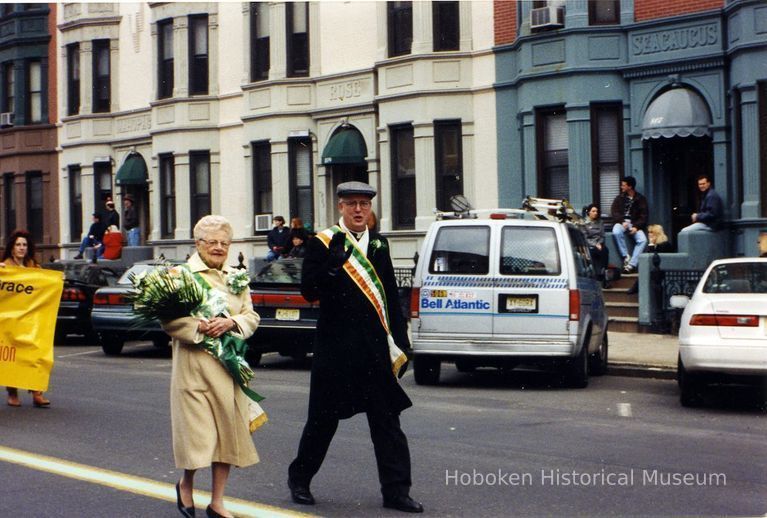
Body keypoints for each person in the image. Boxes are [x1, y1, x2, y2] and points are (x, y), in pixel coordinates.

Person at [288, 181, 423, 513]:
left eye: (364, 203)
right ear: (340, 207)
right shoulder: (322, 243)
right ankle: (300, 480)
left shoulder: (379, 244)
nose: (359, 209)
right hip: (336, 350)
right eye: (352, 204)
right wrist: (332, 268)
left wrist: (401, 340)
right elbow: (309, 291)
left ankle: (396, 491)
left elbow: (389, 293)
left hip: (374, 350)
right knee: (322, 420)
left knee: (387, 422)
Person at [161, 215, 261, 518]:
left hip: (228, 371)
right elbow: (168, 320)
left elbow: (251, 316)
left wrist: (232, 322)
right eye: (212, 242)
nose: (218, 248)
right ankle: (186, 484)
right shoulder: (180, 275)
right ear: (198, 244)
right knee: (198, 438)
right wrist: (200, 325)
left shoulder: (236, 276)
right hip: (194, 369)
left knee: (226, 438)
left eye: (224, 243)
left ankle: (217, 502)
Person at [1, 230, 51, 408]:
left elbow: (44, 286)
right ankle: (12, 392)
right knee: (12, 356)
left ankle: (37, 392)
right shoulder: (5, 267)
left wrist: (57, 282)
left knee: (34, 354)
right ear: (12, 248)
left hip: (31, 320)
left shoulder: (34, 266)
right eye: (18, 245)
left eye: (24, 245)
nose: (22, 248)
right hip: (12, 321)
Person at [610, 175, 649, 274]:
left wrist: (636, 227)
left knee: (643, 240)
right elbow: (614, 212)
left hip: (634, 223)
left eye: (623, 185)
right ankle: (625, 256)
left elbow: (644, 215)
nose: (621, 187)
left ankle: (631, 265)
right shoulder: (619, 198)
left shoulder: (640, 199)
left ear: (630, 187)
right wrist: (621, 221)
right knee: (616, 231)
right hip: (622, 223)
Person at [626, 224, 673, 295]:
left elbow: (652, 258)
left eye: (652, 233)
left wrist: (651, 244)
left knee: (646, 270)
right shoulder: (654, 244)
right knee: (645, 270)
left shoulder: (665, 244)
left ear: (657, 234)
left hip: (664, 269)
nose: (649, 234)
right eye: (649, 232)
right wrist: (651, 244)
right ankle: (635, 288)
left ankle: (635, 288)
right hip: (655, 269)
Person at [582, 203, 610, 288]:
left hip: (599, 244)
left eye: (596, 211)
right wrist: (595, 244)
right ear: (589, 212)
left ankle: (604, 274)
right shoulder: (584, 223)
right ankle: (597, 276)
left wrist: (599, 243)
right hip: (589, 245)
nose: (595, 213)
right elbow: (585, 238)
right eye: (593, 211)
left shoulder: (600, 222)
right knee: (592, 254)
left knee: (605, 251)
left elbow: (602, 235)